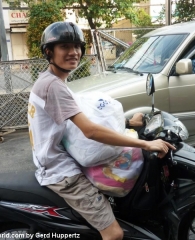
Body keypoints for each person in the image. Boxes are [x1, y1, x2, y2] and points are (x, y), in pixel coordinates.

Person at [28, 21, 176, 240]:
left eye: (77, 46)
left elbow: (77, 124)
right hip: (60, 172)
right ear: (49, 52)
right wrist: (146, 143)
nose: (74, 52)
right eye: (65, 47)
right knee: (114, 233)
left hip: (51, 160)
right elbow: (90, 131)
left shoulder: (48, 80)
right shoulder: (54, 86)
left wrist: (125, 123)